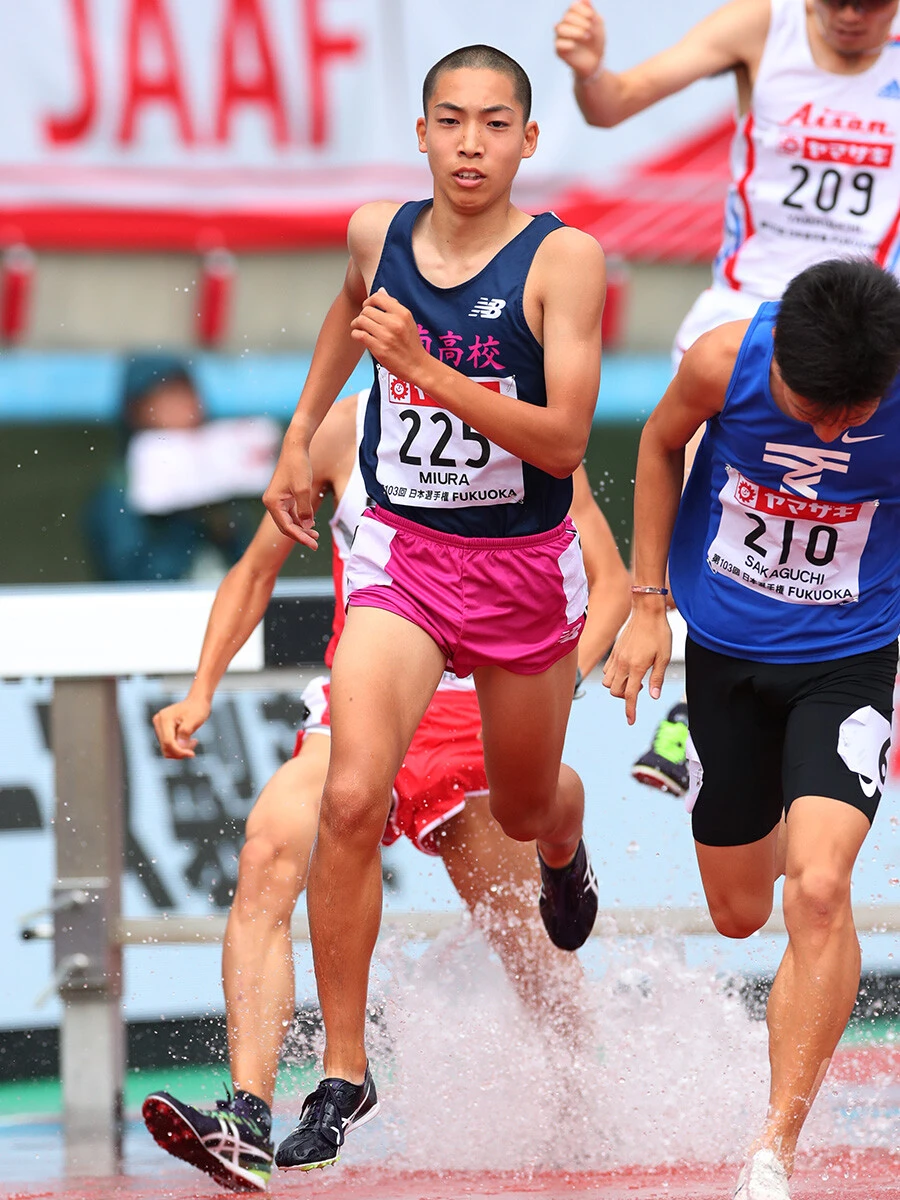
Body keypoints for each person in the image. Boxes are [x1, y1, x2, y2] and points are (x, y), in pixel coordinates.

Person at [140, 389, 630, 1191]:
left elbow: (610, 583)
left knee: (535, 952)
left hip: (479, 712)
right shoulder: (345, 426)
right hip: (365, 710)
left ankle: (585, 1121)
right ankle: (248, 1117)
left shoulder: (530, 424)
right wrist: (201, 691)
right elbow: (255, 568)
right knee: (267, 849)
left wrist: (546, 690)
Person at [261, 45, 607, 1172]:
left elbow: (560, 442)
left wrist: (430, 370)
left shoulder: (566, 263)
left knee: (521, 797)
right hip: (406, 562)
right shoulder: (379, 234)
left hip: (520, 573)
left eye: (494, 124)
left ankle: (566, 837)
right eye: (450, 122)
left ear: (527, 141)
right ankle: (345, 1074)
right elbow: (346, 317)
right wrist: (300, 436)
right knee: (351, 798)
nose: (470, 144)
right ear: (421, 133)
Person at [603, 257, 900, 1199]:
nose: (828, 433)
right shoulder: (724, 359)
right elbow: (656, 448)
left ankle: (772, 1149)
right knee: (740, 913)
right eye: (810, 410)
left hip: (852, 654)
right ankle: (765, 782)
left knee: (818, 889)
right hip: (727, 654)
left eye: (851, 418)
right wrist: (647, 603)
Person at [556, 0, 900, 798]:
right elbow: (613, 104)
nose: (850, 17)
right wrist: (589, 73)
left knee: (834, 520)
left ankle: (834, 688)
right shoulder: (760, 28)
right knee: (727, 494)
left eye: (872, 2)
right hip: (745, 313)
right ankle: (690, 695)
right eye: (834, 0)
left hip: (861, 324)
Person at [82, 352, 276, 582]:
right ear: (135, 411)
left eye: (188, 393)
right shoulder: (120, 490)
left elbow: (251, 570)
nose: (185, 408)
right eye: (166, 398)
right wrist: (189, 518)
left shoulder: (219, 479)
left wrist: (222, 524)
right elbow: (134, 579)